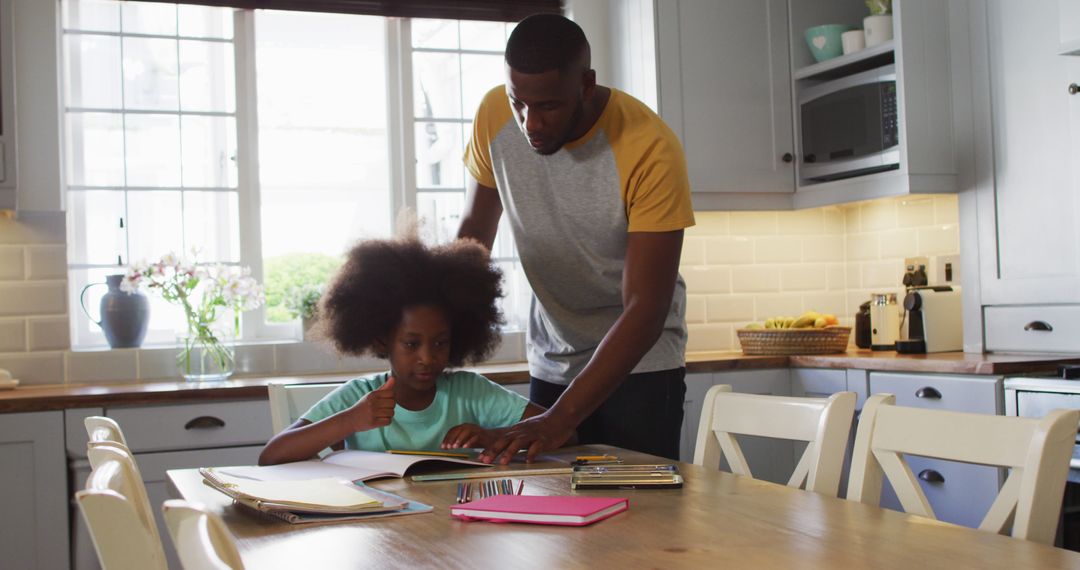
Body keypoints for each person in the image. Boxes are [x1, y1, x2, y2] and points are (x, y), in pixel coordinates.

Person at [459, 14, 695, 464]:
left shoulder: (650, 147)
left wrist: (559, 418)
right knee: (550, 516)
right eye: (519, 103)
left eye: (548, 105)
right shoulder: (493, 116)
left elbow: (646, 307)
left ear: (585, 85)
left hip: (641, 366)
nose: (531, 123)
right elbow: (473, 237)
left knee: (640, 519)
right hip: (553, 358)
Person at [258, 234, 548, 466]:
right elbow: (271, 456)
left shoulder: (471, 392)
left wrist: (492, 436)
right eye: (411, 344)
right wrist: (351, 420)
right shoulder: (360, 398)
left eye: (440, 342)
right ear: (383, 340)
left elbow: (562, 431)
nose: (427, 357)